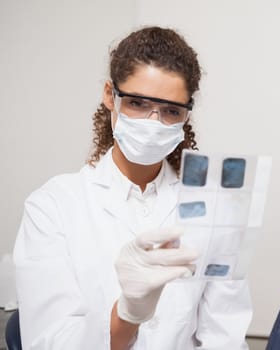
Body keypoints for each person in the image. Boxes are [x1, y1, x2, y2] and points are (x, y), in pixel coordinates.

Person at [13, 26, 252, 350]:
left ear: (186, 114)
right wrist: (126, 314)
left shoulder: (214, 210)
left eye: (171, 111)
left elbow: (224, 337)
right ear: (110, 95)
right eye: (138, 103)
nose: (153, 123)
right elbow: (48, 342)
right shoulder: (53, 206)